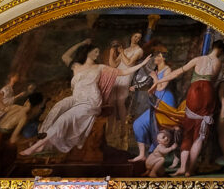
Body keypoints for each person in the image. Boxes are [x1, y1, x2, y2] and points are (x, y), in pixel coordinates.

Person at [21, 40, 149, 156]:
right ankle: (44, 141)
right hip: (76, 98)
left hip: (90, 101)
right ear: (87, 52)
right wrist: (81, 43)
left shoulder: (100, 67)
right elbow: (65, 56)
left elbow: (123, 72)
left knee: (65, 118)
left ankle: (36, 147)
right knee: (58, 107)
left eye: (98, 52)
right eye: (95, 52)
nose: (97, 55)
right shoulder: (76, 66)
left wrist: (142, 63)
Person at [156, 39, 224, 176]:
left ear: (212, 47)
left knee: (188, 131)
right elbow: (212, 82)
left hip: (194, 91)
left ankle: (183, 167)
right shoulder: (218, 63)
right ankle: (190, 170)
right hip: (208, 92)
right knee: (200, 135)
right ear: (222, 52)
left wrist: (159, 81)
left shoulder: (198, 59)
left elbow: (177, 72)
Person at [130, 49, 177, 164]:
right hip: (156, 101)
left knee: (161, 129)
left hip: (165, 101)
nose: (155, 58)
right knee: (139, 124)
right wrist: (137, 87)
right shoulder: (156, 70)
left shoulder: (168, 70)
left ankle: (170, 157)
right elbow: (150, 86)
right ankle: (142, 154)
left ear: (163, 58)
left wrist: (155, 78)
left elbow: (161, 87)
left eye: (158, 56)